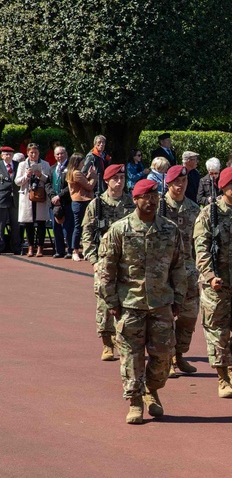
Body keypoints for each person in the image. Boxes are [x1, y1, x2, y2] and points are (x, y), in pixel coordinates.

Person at [96, 178, 187, 424]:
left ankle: (152, 389)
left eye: (155, 195)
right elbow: (106, 269)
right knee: (131, 357)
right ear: (135, 200)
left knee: (163, 357)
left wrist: (179, 297)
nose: (152, 200)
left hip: (161, 304)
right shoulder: (120, 229)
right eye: (146, 196)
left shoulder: (169, 229)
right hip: (130, 304)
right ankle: (135, 401)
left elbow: (179, 266)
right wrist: (112, 301)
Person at [193, 166, 232, 398]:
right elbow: (201, 249)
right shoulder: (209, 215)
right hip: (216, 286)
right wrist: (210, 276)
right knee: (217, 333)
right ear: (222, 187)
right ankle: (222, 378)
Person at [81, 163, 136, 360]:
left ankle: (123, 340)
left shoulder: (131, 203)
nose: (120, 182)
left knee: (129, 303)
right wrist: (94, 261)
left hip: (128, 262)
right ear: (106, 181)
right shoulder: (97, 205)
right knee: (105, 303)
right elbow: (87, 234)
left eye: (122, 178)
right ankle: (107, 343)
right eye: (116, 178)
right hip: (105, 262)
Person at [158, 165, 202, 376]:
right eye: (177, 182)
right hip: (163, 271)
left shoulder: (194, 209)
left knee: (189, 316)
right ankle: (168, 360)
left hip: (188, 271)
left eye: (184, 182)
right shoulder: (157, 206)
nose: (181, 186)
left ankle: (180, 354)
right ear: (168, 183)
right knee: (165, 318)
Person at [15, 143, 51, 257]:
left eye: (35, 152)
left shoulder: (45, 164)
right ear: (27, 153)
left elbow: (49, 179)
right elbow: (17, 181)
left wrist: (40, 175)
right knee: (28, 223)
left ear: (39, 153)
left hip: (40, 197)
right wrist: (27, 175)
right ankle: (30, 247)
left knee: (41, 222)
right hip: (27, 196)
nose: (33, 155)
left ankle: (40, 247)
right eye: (31, 153)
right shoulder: (22, 165)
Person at [49, 145, 72, 258]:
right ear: (54, 156)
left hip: (66, 202)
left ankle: (70, 250)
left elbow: (71, 185)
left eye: (62, 153)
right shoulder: (52, 168)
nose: (60, 156)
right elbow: (48, 184)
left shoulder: (71, 167)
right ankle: (59, 250)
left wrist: (60, 196)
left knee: (67, 228)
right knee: (56, 227)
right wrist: (53, 196)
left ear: (66, 154)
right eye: (57, 154)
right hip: (54, 203)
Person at [0, 146, 19, 254]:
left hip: (15, 198)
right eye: (6, 154)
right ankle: (1, 246)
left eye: (10, 154)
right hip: (2, 198)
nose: (8, 156)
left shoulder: (17, 165)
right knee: (1, 224)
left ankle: (16, 247)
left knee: (15, 224)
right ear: (2, 155)